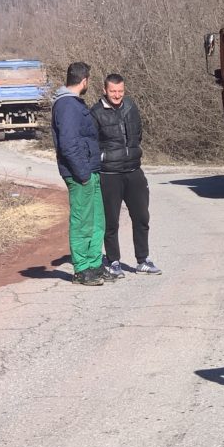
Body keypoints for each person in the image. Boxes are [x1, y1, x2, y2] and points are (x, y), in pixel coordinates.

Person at [90, 74, 161, 277]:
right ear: (105, 90)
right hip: (109, 174)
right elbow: (92, 143)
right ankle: (113, 262)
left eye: (120, 91)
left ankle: (143, 260)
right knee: (111, 222)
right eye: (113, 91)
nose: (117, 95)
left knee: (141, 217)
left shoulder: (131, 106)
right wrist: (104, 159)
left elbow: (139, 133)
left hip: (133, 171)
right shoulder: (95, 113)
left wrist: (131, 152)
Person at [51, 62, 111, 286]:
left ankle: (94, 265)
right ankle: (81, 269)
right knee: (82, 222)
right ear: (84, 80)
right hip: (80, 174)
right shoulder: (67, 105)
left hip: (90, 171)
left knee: (97, 221)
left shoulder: (75, 104)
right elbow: (67, 144)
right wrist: (83, 174)